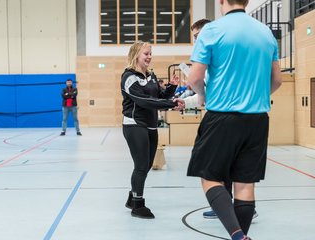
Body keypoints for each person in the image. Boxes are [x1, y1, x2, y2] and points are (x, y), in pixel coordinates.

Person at [186, 1, 282, 239]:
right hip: (258, 120)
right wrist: (255, 97)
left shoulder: (212, 30)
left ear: (221, 1)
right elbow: (277, 80)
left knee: (210, 177)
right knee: (245, 184)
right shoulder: (265, 32)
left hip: (222, 117)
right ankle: (241, 235)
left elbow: (195, 77)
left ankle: (238, 235)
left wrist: (204, 96)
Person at [189, 18, 259, 220]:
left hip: (226, 120)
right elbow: (208, 91)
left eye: (197, 36)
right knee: (225, 169)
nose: (196, 41)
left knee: (218, 171)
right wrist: (190, 101)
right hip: (237, 119)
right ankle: (226, 206)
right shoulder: (212, 61)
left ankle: (239, 211)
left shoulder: (219, 57)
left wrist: (200, 95)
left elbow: (197, 84)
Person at [120, 41, 184, 219]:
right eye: (145, 54)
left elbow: (158, 97)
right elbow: (144, 101)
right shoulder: (129, 77)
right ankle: (138, 205)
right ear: (136, 55)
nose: (149, 57)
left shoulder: (152, 76)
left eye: (150, 53)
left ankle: (132, 197)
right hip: (134, 125)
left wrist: (171, 88)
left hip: (150, 125)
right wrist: (171, 104)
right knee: (141, 166)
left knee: (146, 165)